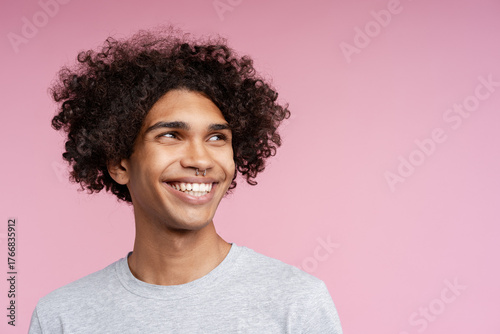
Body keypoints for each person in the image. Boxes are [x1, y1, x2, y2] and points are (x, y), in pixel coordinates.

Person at [29, 27, 343, 333]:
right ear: (118, 163)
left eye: (217, 137)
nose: (201, 160)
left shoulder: (297, 304)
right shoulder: (61, 318)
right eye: (170, 135)